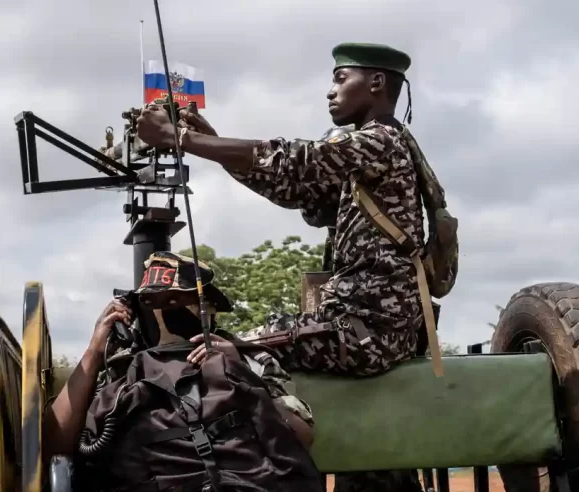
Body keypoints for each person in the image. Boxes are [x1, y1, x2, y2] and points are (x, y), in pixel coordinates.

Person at [135, 42, 450, 492]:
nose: (330, 92)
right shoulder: (373, 155)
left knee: (232, 350)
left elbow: (296, 160)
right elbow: (291, 187)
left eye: (341, 80)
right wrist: (215, 141)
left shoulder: (379, 142)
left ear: (376, 84)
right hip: (368, 324)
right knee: (240, 345)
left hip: (369, 330)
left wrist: (180, 139)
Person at [43, 251, 323, 492]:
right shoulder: (120, 369)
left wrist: (238, 371)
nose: (163, 313)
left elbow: (300, 437)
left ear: (208, 308)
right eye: (152, 304)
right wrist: (94, 352)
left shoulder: (249, 358)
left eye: (176, 301)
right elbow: (56, 446)